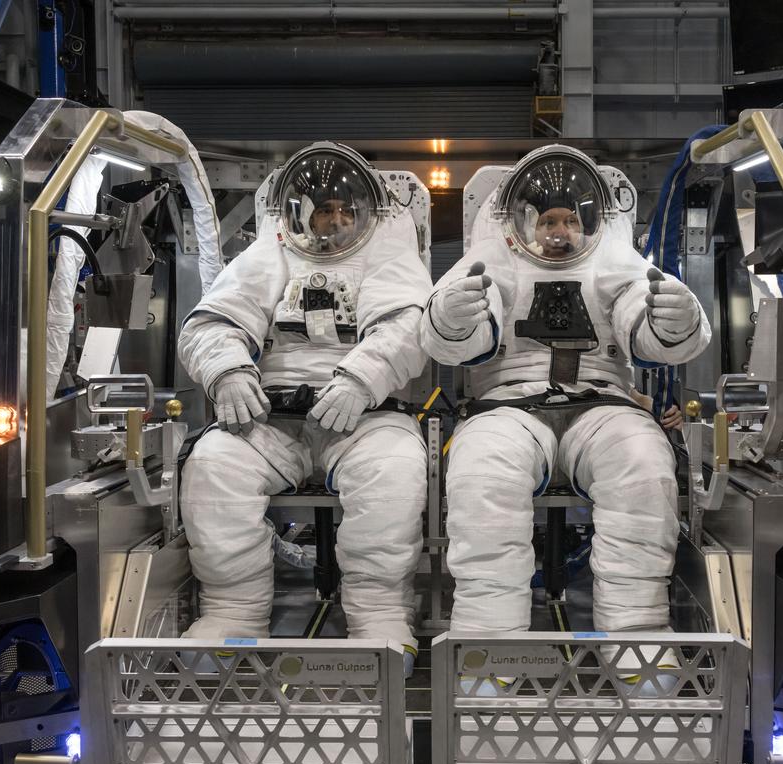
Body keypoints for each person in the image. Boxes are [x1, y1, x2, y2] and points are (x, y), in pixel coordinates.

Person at [420, 145, 710, 688]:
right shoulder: (493, 259)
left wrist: (674, 324)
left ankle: (638, 637)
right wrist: (456, 317)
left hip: (600, 402)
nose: (559, 231)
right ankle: (489, 643)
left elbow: (639, 321)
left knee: (645, 465)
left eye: (570, 219)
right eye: (547, 220)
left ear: (590, 223)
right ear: (522, 222)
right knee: (481, 471)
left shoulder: (614, 260)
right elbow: (445, 340)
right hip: (507, 403)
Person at [177, 143, 430, 675]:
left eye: (345, 210)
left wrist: (362, 378)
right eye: (323, 209)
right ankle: (231, 613)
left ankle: (381, 616)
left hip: (368, 416)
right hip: (274, 417)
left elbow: (408, 326)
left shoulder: (389, 251)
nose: (335, 221)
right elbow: (213, 322)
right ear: (300, 212)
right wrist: (227, 370)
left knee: (395, 472)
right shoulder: (271, 252)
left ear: (364, 212)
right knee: (214, 465)